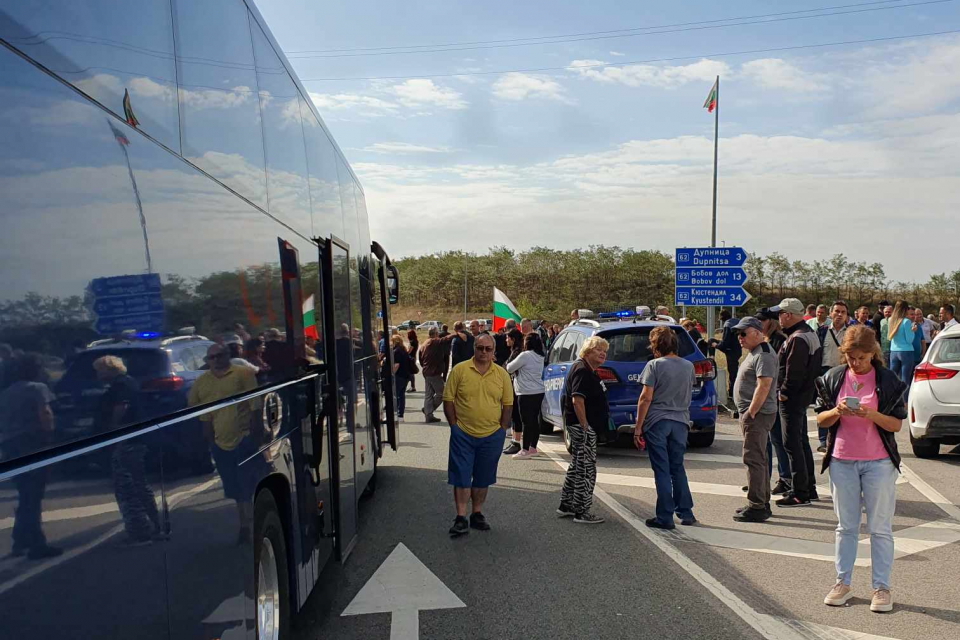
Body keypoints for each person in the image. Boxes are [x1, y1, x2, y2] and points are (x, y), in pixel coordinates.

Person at [815, 325, 906, 613]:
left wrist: (871, 414)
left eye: (862, 358)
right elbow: (821, 421)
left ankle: (881, 587)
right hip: (842, 459)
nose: (856, 363)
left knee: (880, 528)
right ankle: (842, 582)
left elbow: (895, 425)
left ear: (873, 354)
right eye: (851, 357)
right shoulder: (833, 377)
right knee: (846, 526)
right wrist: (836, 411)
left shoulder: (887, 380)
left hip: (878, 461)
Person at [188, 344, 261, 544]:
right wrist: (208, 440)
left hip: (244, 437)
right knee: (234, 486)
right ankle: (244, 523)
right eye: (211, 357)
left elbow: (255, 404)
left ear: (228, 356)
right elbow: (196, 408)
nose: (216, 360)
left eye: (220, 355)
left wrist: (258, 431)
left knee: (248, 481)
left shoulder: (243, 373)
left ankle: (252, 522)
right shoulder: (202, 381)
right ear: (207, 360)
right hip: (219, 442)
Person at [442, 333, 513, 537]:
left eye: (488, 349)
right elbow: (449, 399)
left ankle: (477, 513)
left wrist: (502, 429)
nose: (484, 352)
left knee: (483, 477)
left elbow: (508, 404)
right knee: (461, 476)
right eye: (480, 348)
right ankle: (461, 517)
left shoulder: (501, 374)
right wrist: (454, 426)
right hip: (463, 433)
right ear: (474, 348)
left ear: (493, 352)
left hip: (492, 435)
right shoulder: (460, 370)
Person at [93, 355, 162, 545]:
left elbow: (121, 408)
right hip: (133, 440)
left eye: (100, 370)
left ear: (110, 369)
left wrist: (113, 430)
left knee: (127, 487)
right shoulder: (127, 383)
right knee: (138, 484)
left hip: (127, 442)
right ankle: (156, 525)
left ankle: (141, 532)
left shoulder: (121, 386)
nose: (98, 374)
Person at [633, 326, 696, 529]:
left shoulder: (654, 365)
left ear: (655, 345)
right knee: (677, 467)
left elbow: (645, 398)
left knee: (661, 469)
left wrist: (638, 427)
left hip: (658, 421)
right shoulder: (688, 366)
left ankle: (665, 516)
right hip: (681, 421)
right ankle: (686, 512)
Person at [0, 353, 61, 559]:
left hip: (11, 446)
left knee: (25, 493)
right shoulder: (37, 388)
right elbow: (45, 414)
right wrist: (50, 437)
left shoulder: (6, 393)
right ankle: (37, 545)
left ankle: (20, 540)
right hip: (33, 443)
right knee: (33, 495)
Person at [771, 298, 822, 508]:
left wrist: (783, 393)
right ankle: (808, 487)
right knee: (800, 443)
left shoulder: (798, 338)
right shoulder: (807, 334)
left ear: (788, 315)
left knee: (791, 444)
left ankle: (800, 492)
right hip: (802, 396)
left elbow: (794, 372)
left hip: (792, 398)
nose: (778, 318)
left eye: (780, 314)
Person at [730, 318, 779, 522]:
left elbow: (764, 385)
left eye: (743, 333)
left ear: (758, 333)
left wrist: (751, 411)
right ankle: (761, 500)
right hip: (755, 414)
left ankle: (757, 505)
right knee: (759, 458)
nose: (740, 338)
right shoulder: (756, 352)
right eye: (738, 334)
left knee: (753, 458)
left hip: (758, 415)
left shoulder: (764, 354)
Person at [559, 336, 610, 524]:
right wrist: (585, 426)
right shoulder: (582, 370)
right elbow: (577, 400)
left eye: (604, 350)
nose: (602, 353)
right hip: (582, 427)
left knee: (577, 465)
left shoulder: (588, 369)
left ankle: (567, 504)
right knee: (586, 470)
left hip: (583, 425)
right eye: (598, 349)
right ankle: (582, 511)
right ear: (588, 351)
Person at [756, 308, 791, 495]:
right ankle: (762, 479)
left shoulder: (778, 339)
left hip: (773, 395)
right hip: (767, 394)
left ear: (771, 321)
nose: (759, 323)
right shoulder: (764, 339)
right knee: (767, 441)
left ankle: (785, 478)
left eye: (762, 320)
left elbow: (778, 369)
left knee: (776, 439)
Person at [506, 333, 546, 459]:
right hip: (538, 391)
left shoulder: (525, 355)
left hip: (525, 392)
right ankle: (533, 447)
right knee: (534, 420)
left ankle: (525, 450)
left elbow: (509, 368)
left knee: (526, 422)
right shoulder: (540, 356)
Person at [817, 301, 850, 452]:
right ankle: (823, 441)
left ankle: (839, 438)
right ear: (830, 314)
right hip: (825, 372)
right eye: (836, 311)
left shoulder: (851, 332)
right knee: (824, 406)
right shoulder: (822, 331)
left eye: (843, 312)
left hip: (844, 372)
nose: (839, 314)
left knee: (842, 406)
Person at [502, 328, 526, 455]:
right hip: (514, 386)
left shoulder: (518, 352)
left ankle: (517, 442)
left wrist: (504, 366)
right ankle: (513, 441)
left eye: (508, 338)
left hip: (518, 387)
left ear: (513, 339)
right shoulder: (514, 351)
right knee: (514, 414)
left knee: (517, 415)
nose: (506, 340)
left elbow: (508, 367)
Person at [887, 301, 918, 392]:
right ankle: (905, 401)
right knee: (905, 378)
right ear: (905, 309)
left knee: (892, 377)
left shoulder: (890, 320)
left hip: (894, 351)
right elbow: (909, 340)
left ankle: (890, 398)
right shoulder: (906, 321)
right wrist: (913, 331)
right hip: (906, 351)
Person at [716, 309, 743, 416]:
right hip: (738, 350)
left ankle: (732, 394)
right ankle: (734, 392)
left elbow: (725, 343)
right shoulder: (737, 321)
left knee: (732, 373)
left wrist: (716, 345)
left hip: (731, 351)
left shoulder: (727, 325)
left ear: (722, 318)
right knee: (735, 372)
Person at [391, 335, 413, 422]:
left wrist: (391, 373)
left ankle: (396, 414)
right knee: (401, 395)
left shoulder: (396, 351)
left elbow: (397, 364)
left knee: (395, 395)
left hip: (399, 375)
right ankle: (401, 415)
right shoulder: (404, 350)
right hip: (406, 375)